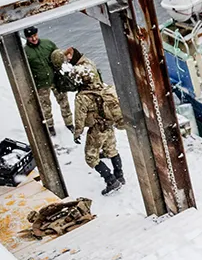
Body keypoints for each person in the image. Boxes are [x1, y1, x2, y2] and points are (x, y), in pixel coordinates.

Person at [69, 57, 126, 195]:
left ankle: (110, 180)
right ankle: (120, 175)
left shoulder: (82, 97)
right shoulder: (103, 88)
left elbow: (79, 119)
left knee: (91, 157)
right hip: (109, 125)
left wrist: (77, 133)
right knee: (111, 150)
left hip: (97, 129)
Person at [22, 26, 72, 137]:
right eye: (30, 37)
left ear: (37, 34)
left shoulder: (48, 43)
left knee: (64, 102)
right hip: (41, 84)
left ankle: (69, 124)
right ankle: (50, 126)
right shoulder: (25, 52)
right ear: (26, 38)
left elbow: (58, 56)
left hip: (55, 79)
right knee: (45, 107)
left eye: (35, 35)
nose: (34, 39)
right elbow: (25, 70)